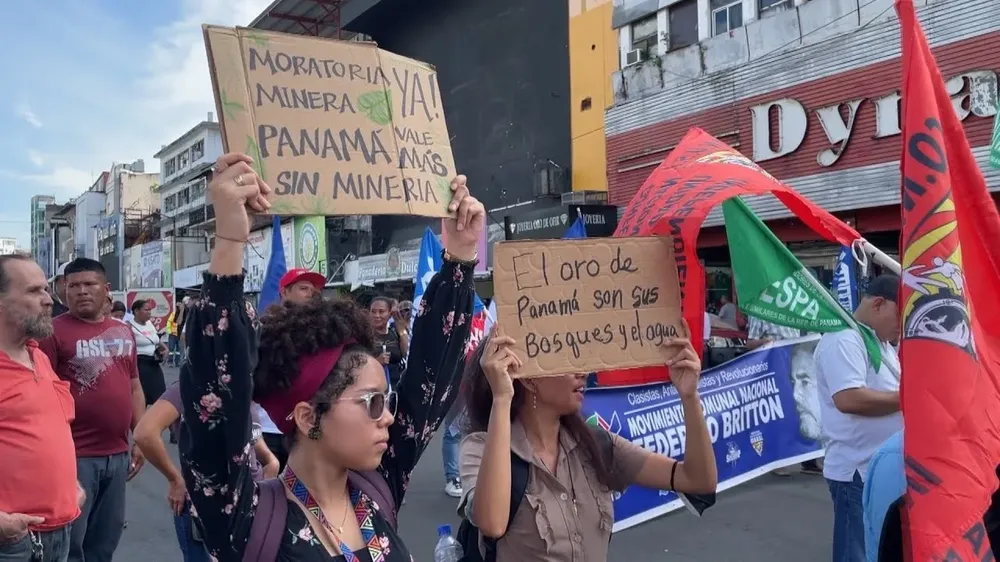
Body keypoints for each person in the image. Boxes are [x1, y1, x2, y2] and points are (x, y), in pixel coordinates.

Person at [179, 152, 483, 561]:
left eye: (386, 401)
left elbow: (433, 373)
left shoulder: (379, 485)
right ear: (307, 417)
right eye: (372, 403)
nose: (390, 417)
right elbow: (216, 398)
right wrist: (231, 240)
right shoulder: (246, 519)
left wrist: (460, 255)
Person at [458, 323, 718, 562]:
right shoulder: (480, 448)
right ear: (528, 379)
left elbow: (697, 480)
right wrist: (502, 398)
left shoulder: (595, 444)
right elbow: (492, 523)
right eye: (568, 360)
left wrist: (689, 395)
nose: (582, 372)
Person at [39, 258, 147, 562]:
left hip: (118, 454)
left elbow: (135, 386)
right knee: (71, 543)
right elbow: (42, 392)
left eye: (90, 284)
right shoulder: (51, 332)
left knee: (105, 541)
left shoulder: (123, 332)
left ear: (106, 289)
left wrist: (139, 436)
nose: (82, 291)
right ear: (63, 291)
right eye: (74, 286)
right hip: (74, 456)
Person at [135, 382, 279, 562]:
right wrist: (175, 479)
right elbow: (145, 433)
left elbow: (250, 433)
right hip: (208, 508)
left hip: (250, 504)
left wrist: (269, 459)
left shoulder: (242, 383)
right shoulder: (193, 382)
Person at [0, 254, 84, 561]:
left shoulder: (39, 357)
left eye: (46, 290)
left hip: (59, 531)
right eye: (34, 291)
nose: (49, 299)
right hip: (12, 541)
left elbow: (49, 431)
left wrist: (69, 483)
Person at [813, 274, 903, 562]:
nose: (902, 325)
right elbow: (849, 398)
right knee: (857, 553)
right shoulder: (844, 338)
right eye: (900, 316)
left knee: (876, 548)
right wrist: (909, 399)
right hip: (857, 471)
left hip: (877, 469)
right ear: (878, 304)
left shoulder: (881, 343)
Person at [128, 299, 167, 406]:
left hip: (153, 363)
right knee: (142, 397)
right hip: (140, 364)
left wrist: (165, 348)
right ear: (136, 311)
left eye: (150, 310)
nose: (149, 312)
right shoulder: (129, 326)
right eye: (146, 310)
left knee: (160, 394)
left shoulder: (149, 323)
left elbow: (155, 338)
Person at [370, 296, 409, 388]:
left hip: (397, 385)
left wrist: (402, 331)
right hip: (374, 386)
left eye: (381, 311)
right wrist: (376, 362)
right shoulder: (365, 335)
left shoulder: (394, 332)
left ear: (390, 314)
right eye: (373, 311)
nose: (377, 315)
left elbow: (406, 354)